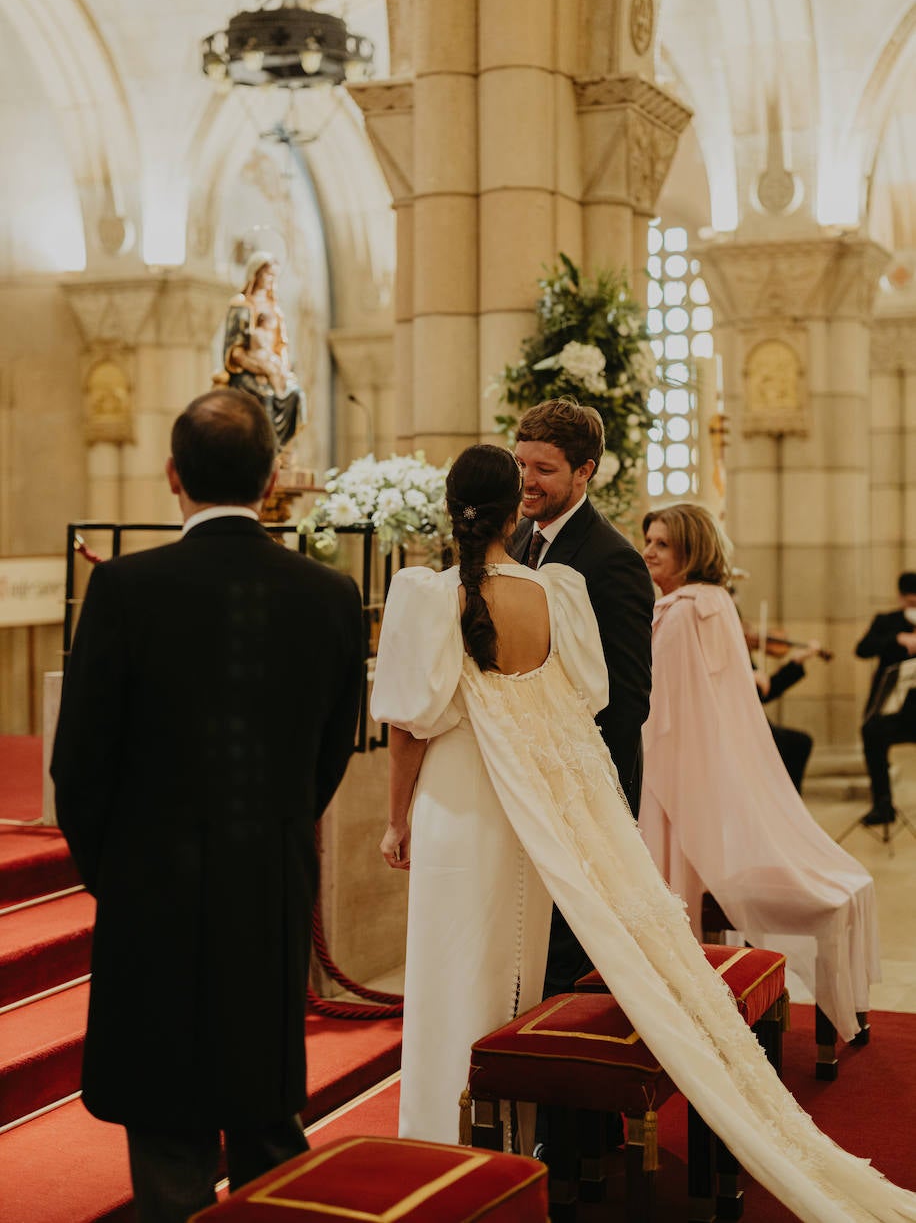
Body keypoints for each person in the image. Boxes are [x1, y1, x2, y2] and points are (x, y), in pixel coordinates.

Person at [371, 445, 916, 1223]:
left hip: (459, 802)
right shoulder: (552, 589)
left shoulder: (428, 595)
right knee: (513, 971)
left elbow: (409, 723)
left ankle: (446, 1144)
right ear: (511, 507)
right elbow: (588, 697)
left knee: (450, 967)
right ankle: (518, 1141)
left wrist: (396, 820)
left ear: (450, 507)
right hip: (525, 811)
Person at [51, 389, 363, 1223]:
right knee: (266, 1121)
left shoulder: (123, 589)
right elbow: (332, 752)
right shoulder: (330, 597)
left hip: (151, 892)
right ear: (270, 480)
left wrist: (116, 871)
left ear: (171, 476)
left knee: (166, 1135)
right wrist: (273, 833)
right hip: (267, 887)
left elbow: (77, 767)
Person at [639, 502, 879, 1046]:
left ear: (690, 551)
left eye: (661, 544)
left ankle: (690, 1002)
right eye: (648, 540)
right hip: (713, 769)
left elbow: (662, 711)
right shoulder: (716, 601)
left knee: (670, 880)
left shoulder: (678, 612)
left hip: (676, 770)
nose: (648, 551)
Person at [510, 398, 654, 998]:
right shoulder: (518, 539)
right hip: (530, 774)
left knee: (577, 948)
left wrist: (574, 775)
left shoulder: (613, 560)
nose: (527, 482)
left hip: (589, 780)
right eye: (521, 465)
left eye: (543, 469)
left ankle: (574, 1073)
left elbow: (629, 699)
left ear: (584, 471)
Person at [218, 251, 306, 449]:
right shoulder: (241, 305)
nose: (270, 279)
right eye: (267, 274)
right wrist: (260, 367)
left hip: (272, 367)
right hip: (247, 370)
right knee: (265, 395)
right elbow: (235, 349)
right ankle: (262, 450)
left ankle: (281, 452)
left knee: (295, 394)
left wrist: (282, 367)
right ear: (255, 274)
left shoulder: (275, 309)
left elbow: (281, 345)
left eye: (274, 275)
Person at [855, 572, 916, 825]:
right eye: (910, 601)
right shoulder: (887, 621)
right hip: (893, 711)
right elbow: (862, 649)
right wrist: (897, 639)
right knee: (871, 732)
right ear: (901, 598)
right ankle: (882, 804)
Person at [752, 640, 821, 792]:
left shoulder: (741, 652)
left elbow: (765, 692)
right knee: (791, 744)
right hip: (736, 726)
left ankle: (789, 802)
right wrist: (746, 677)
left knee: (800, 742)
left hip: (752, 723)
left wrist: (796, 662)